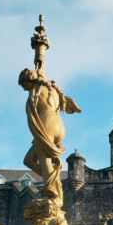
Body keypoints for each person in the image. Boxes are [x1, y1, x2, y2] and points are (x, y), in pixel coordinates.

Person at [18, 67, 80, 205]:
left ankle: (51, 195)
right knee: (28, 160)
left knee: (44, 161)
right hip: (59, 127)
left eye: (24, 85)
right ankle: (53, 181)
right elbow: (41, 68)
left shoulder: (38, 86)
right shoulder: (50, 87)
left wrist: (39, 49)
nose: (24, 89)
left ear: (29, 79)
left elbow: (40, 62)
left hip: (47, 124)